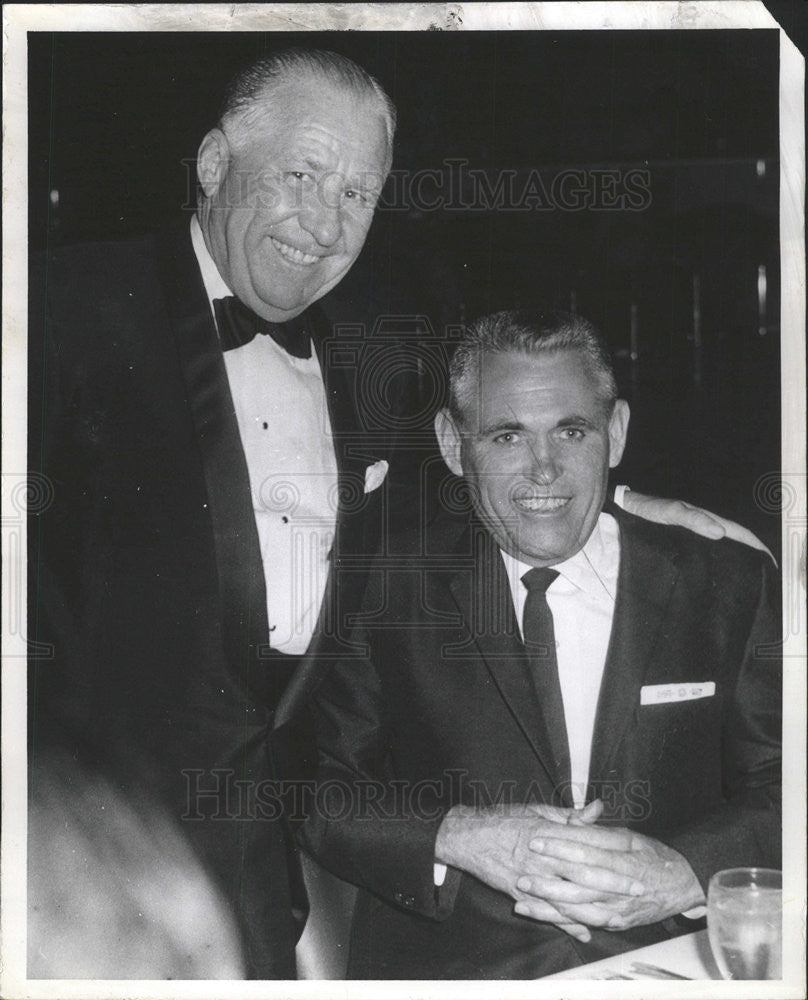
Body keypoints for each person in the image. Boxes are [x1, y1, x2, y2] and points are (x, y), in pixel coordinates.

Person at [27, 47, 765, 979]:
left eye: (359, 192)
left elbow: (502, 466)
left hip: (266, 852)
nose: (325, 222)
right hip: (92, 846)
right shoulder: (60, 308)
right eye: (301, 175)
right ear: (214, 163)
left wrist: (630, 506)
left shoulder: (380, 334)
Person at [300, 308, 781, 979]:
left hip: (670, 965)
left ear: (614, 433)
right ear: (451, 443)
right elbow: (316, 789)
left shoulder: (726, 581)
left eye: (572, 430)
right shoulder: (386, 589)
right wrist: (456, 834)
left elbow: (788, 785)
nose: (545, 468)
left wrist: (689, 871)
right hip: (452, 975)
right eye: (507, 437)